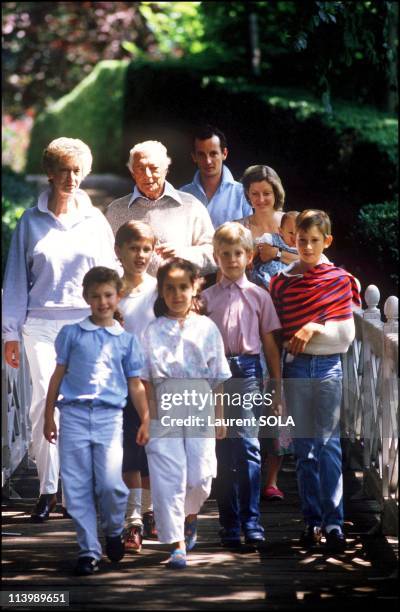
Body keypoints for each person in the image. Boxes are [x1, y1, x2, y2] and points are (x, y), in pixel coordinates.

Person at [2, 137, 117, 523]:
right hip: (39, 326)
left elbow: (109, 274)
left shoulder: (95, 220)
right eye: (64, 170)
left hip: (84, 325)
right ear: (50, 173)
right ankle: (48, 491)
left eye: (77, 170)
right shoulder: (30, 221)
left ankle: (74, 491)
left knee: (80, 405)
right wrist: (10, 333)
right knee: (42, 406)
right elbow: (17, 279)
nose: (71, 177)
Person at [43, 267, 150, 575]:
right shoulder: (71, 334)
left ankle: (114, 529)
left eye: (108, 295)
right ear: (86, 297)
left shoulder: (126, 341)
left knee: (110, 485)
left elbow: (135, 384)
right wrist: (48, 414)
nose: (102, 302)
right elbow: (57, 375)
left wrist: (145, 418)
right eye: (95, 296)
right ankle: (88, 550)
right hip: (74, 415)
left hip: (109, 417)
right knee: (76, 487)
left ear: (118, 297)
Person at [269, 210, 361, 553]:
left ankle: (334, 524)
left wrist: (314, 327)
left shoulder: (338, 280)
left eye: (314, 240)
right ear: (293, 239)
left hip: (327, 370)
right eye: (301, 239)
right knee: (305, 450)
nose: (307, 246)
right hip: (295, 370)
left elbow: (344, 337)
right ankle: (311, 521)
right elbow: (280, 335)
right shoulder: (282, 282)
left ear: (327, 241)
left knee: (328, 446)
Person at [141, 258, 231, 568]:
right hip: (163, 403)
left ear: (195, 287)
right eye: (170, 288)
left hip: (199, 402)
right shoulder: (151, 331)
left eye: (183, 287)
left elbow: (218, 375)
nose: (177, 294)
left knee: (201, 476)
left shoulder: (207, 328)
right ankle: (176, 543)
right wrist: (149, 417)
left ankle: (190, 513)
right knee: (169, 478)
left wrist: (219, 416)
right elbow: (144, 379)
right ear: (161, 292)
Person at [201, 222, 282, 548]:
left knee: (248, 446)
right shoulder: (205, 300)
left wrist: (276, 385)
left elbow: (271, 345)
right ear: (216, 256)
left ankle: (251, 520)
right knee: (221, 448)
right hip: (214, 376)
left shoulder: (259, 297)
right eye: (225, 254)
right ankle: (229, 522)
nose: (232, 259)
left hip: (248, 372)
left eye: (238, 253)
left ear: (249, 257)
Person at [237, 166, 297, 499]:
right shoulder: (241, 227)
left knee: (281, 396)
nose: (261, 199)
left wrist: (278, 253)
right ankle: (247, 469)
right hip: (251, 323)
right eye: (255, 193)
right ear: (247, 194)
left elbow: (316, 256)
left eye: (267, 193)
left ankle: (272, 479)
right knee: (255, 394)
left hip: (287, 322)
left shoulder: (290, 222)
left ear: (277, 193)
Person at [106, 140, 216, 277]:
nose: (147, 175)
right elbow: (104, 257)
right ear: (132, 173)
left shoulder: (190, 206)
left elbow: (214, 255)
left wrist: (185, 254)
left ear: (166, 169)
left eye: (154, 168)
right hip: (131, 295)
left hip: (178, 295)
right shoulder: (115, 210)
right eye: (140, 168)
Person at [114, 220, 158, 552]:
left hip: (156, 381)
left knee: (153, 451)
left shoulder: (160, 289)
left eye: (146, 249)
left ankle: (149, 510)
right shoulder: (111, 292)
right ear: (119, 251)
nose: (141, 255)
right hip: (122, 382)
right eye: (134, 248)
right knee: (130, 451)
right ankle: (134, 520)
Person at [180, 124, 252, 228]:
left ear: (224, 153)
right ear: (194, 157)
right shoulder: (183, 194)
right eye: (201, 154)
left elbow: (250, 238)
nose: (208, 161)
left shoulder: (242, 194)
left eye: (213, 154)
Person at [251, 211, 299, 290]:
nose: (294, 237)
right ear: (281, 232)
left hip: (287, 283)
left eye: (298, 233)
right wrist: (251, 257)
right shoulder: (273, 239)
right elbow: (259, 245)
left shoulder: (302, 247)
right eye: (291, 233)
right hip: (266, 276)